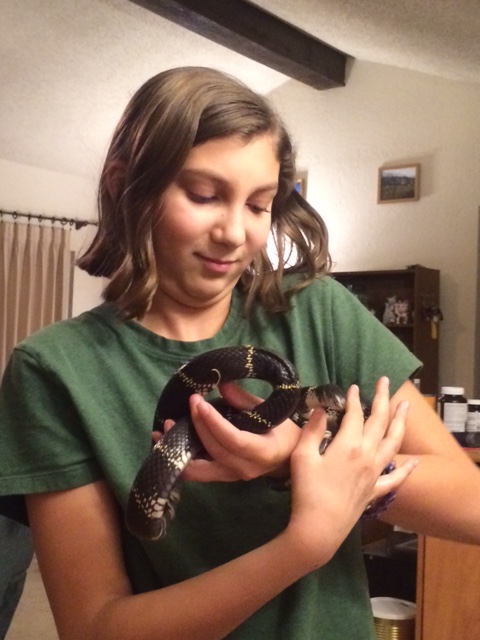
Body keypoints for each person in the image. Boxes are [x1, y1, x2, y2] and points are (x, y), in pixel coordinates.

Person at [0, 66, 479, 640]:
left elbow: (471, 505)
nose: (234, 232)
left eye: (258, 204)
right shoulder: (54, 370)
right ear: (126, 185)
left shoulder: (319, 311)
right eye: (204, 195)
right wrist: (304, 545)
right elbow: (96, 626)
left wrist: (292, 456)